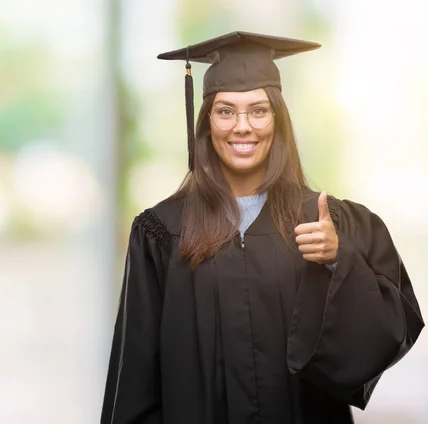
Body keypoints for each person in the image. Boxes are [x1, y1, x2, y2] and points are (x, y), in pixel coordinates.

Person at [100, 31, 424, 424]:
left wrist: (341, 260)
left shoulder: (328, 222)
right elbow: (136, 374)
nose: (242, 126)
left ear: (278, 120)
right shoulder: (161, 231)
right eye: (225, 111)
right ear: (206, 122)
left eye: (258, 110)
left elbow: (391, 329)